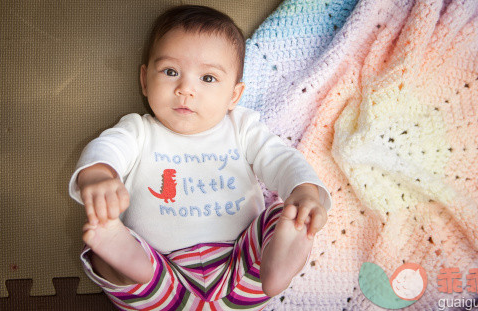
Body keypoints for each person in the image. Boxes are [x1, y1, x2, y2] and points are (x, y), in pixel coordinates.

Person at [68, 5, 331, 310]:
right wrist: (99, 175)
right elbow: (109, 149)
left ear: (234, 95)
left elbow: (281, 158)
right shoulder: (138, 130)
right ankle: (122, 253)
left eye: (207, 78)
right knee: (101, 248)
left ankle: (278, 263)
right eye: (170, 72)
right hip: (160, 276)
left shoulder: (242, 127)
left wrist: (305, 192)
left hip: (240, 269)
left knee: (283, 215)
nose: (185, 89)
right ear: (144, 80)